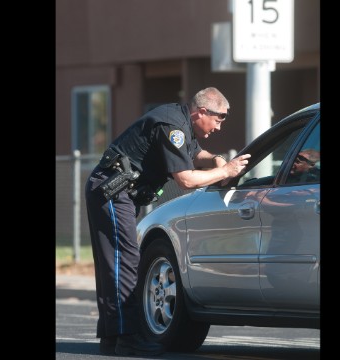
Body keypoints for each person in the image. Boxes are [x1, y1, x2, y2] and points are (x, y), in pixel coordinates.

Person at [85, 87, 250, 356]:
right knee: (123, 262)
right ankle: (127, 337)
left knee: (117, 262)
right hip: (111, 191)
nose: (219, 127)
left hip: (117, 192)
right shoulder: (172, 125)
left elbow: (197, 155)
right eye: (219, 119)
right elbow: (185, 180)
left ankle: (112, 338)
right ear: (202, 111)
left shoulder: (182, 122)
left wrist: (217, 159)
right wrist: (225, 171)